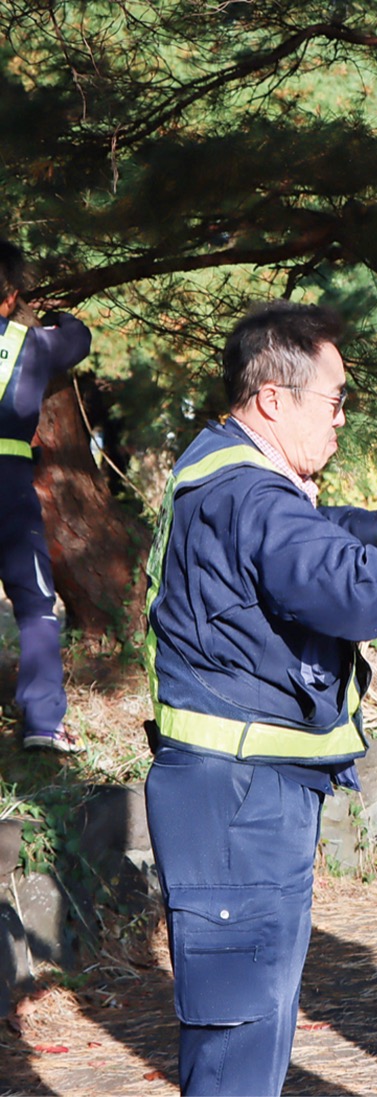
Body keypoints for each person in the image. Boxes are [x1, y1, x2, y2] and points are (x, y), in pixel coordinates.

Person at [143, 301, 377, 1096]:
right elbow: (345, 591)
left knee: (257, 1021)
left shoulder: (230, 469)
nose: (342, 418)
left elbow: (303, 535)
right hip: (238, 798)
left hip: (243, 789)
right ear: (273, 398)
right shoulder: (248, 492)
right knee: (240, 1034)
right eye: (335, 399)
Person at [0, 241, 92, 752]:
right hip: (9, 487)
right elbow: (78, 339)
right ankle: (42, 722)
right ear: (11, 297)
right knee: (35, 604)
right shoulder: (31, 344)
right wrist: (59, 314)